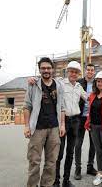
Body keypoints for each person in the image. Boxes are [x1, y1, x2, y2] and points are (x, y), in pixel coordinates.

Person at [24, 57, 66, 187]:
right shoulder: (33, 84)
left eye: (48, 68)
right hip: (37, 128)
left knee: (52, 161)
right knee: (34, 160)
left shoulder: (59, 85)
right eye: (43, 68)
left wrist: (62, 124)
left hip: (54, 128)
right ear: (39, 70)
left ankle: (46, 185)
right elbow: (27, 106)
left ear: (53, 69)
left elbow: (62, 107)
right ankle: (32, 185)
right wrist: (26, 126)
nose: (46, 70)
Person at [54, 61, 87, 187]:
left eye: (76, 72)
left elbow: (89, 98)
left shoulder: (79, 87)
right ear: (67, 72)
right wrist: (33, 80)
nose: (73, 74)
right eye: (71, 71)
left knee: (70, 152)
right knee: (60, 153)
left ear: (79, 74)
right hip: (63, 121)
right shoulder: (60, 83)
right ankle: (56, 181)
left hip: (75, 121)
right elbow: (46, 81)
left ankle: (66, 180)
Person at [74, 63, 97, 180]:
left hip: (92, 117)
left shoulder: (97, 84)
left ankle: (90, 166)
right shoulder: (78, 83)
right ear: (85, 71)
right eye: (88, 70)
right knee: (78, 144)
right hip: (80, 117)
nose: (90, 72)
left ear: (94, 72)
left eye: (92, 70)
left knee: (93, 143)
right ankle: (78, 168)